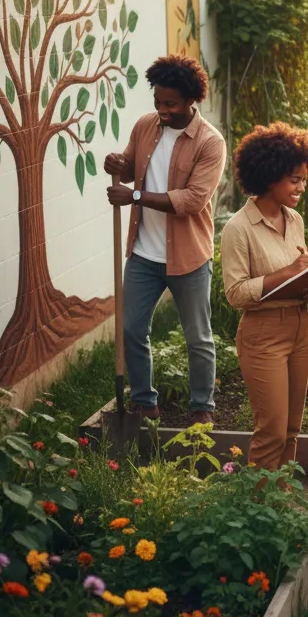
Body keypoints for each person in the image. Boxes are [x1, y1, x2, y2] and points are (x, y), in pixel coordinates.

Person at [104, 55, 226, 424]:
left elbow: (191, 201)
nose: (162, 110)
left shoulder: (210, 143)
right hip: (143, 253)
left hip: (188, 256)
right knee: (130, 329)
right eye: (157, 102)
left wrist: (136, 197)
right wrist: (116, 164)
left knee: (198, 338)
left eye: (169, 103)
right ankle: (145, 402)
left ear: (192, 100)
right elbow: (130, 167)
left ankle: (202, 409)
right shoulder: (146, 126)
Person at [220, 124, 308, 470]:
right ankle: (259, 514)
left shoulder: (293, 218)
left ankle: (283, 509)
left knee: (292, 431)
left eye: (304, 179)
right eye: (294, 179)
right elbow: (235, 294)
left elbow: (297, 274)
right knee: (272, 433)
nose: (302, 187)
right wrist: (289, 272)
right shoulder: (238, 228)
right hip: (263, 334)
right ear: (269, 177)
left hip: (298, 329)